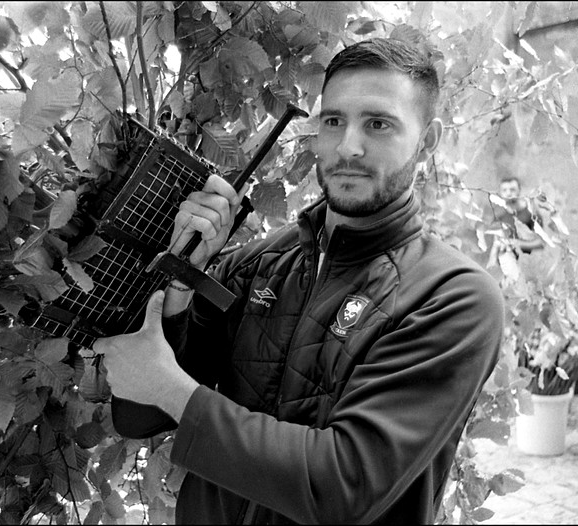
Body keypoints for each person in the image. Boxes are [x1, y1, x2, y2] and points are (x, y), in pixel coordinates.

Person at [93, 38, 505, 524]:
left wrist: (170, 390)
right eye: (333, 121)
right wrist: (182, 279)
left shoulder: (453, 297)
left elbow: (342, 486)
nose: (348, 147)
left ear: (427, 139)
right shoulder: (258, 264)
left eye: (378, 123)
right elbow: (139, 415)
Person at [493, 176, 545, 254]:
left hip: (528, 257)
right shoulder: (499, 215)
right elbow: (497, 243)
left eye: (512, 190)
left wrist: (517, 243)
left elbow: (541, 243)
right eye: (504, 190)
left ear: (519, 190)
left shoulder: (530, 212)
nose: (508, 193)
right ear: (500, 193)